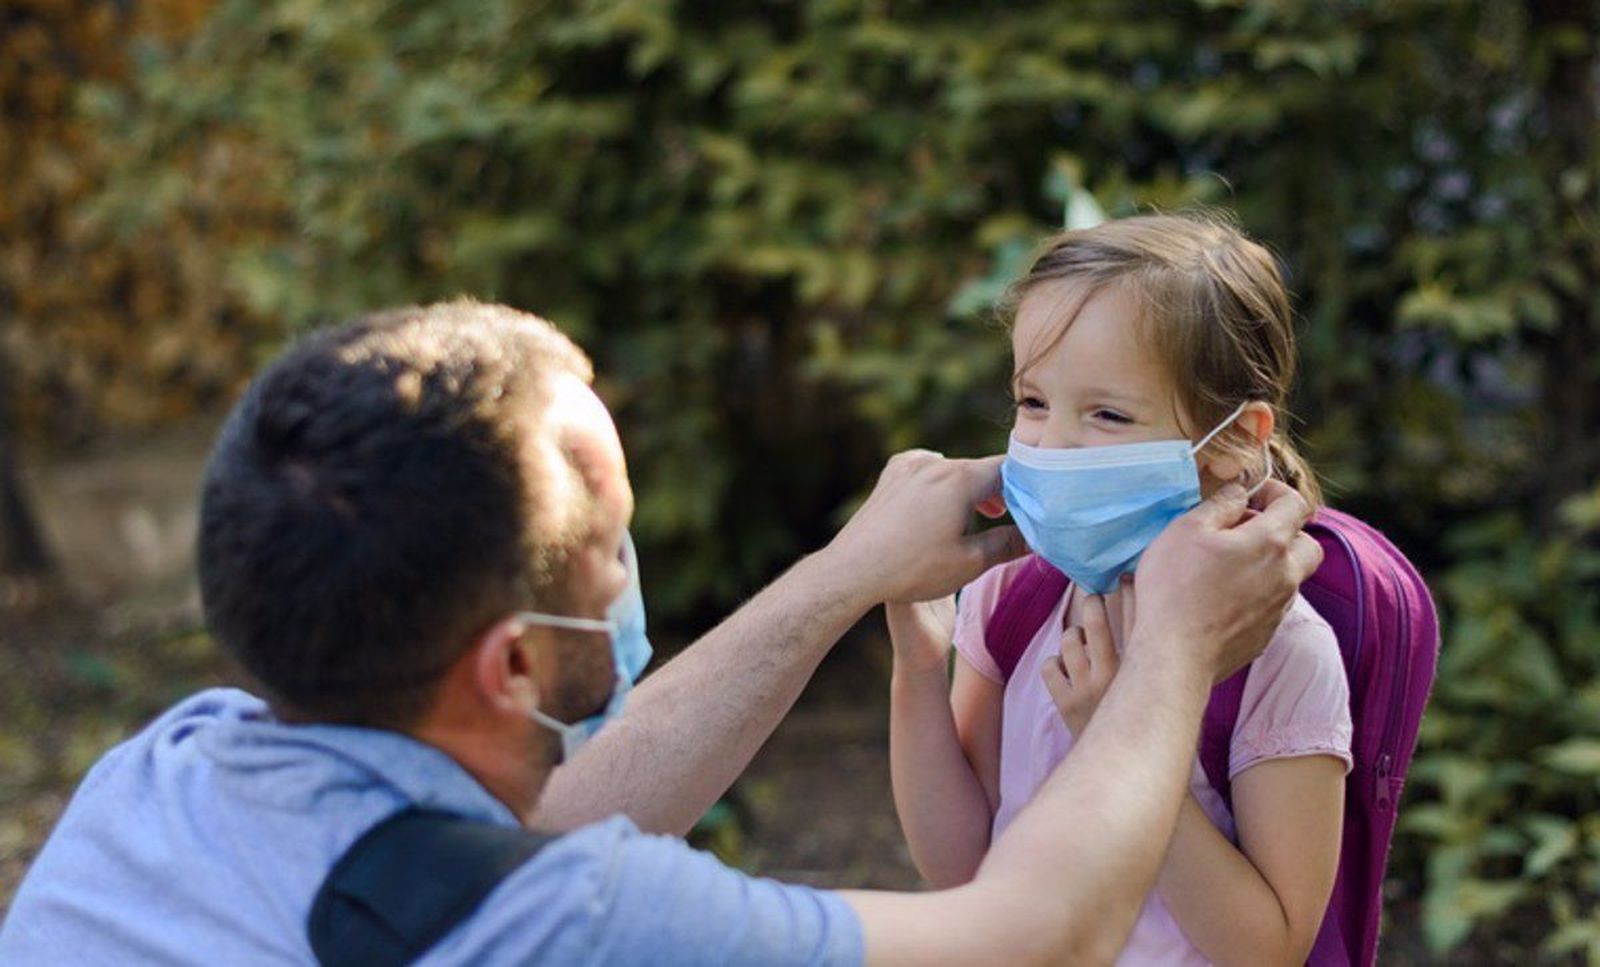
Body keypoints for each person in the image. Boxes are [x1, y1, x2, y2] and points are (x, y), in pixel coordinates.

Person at [0, 301, 1323, 965]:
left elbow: (555, 813)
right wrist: (1172, 656)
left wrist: (836, 579)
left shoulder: (162, 779)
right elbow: (1036, 932)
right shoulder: (574, 926)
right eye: (614, 545)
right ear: (513, 662)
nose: (638, 573)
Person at [888, 213, 1352, 965]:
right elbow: (962, 866)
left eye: (1106, 413)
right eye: (1032, 401)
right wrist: (917, 666)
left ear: (1235, 439)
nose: (1051, 445)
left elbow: (1267, 947)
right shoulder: (1015, 595)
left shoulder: (1282, 653)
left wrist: (1121, 736)